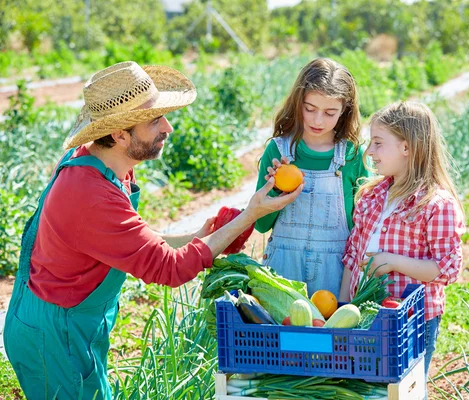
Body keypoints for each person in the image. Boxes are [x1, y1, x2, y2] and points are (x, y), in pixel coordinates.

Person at [3, 61, 302, 400]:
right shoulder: (90, 194)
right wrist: (250, 215)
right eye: (155, 120)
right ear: (119, 134)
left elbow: (134, 239)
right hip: (53, 336)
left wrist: (199, 236)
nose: (168, 127)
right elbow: (169, 269)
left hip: (72, 322)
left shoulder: (104, 164)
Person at [339, 101, 466, 390]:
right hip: (364, 312)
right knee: (365, 389)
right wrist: (343, 304)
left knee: (404, 389)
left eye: (378, 143)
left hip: (411, 320)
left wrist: (393, 262)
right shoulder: (373, 195)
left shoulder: (435, 204)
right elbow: (352, 256)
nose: (370, 152)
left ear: (406, 148)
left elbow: (447, 269)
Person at [255, 58, 369, 298]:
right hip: (283, 273)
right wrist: (276, 190)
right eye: (310, 109)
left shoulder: (352, 156)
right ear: (298, 103)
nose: (318, 121)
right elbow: (261, 225)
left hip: (337, 276)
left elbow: (366, 228)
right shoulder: (278, 152)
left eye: (330, 113)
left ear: (345, 110)